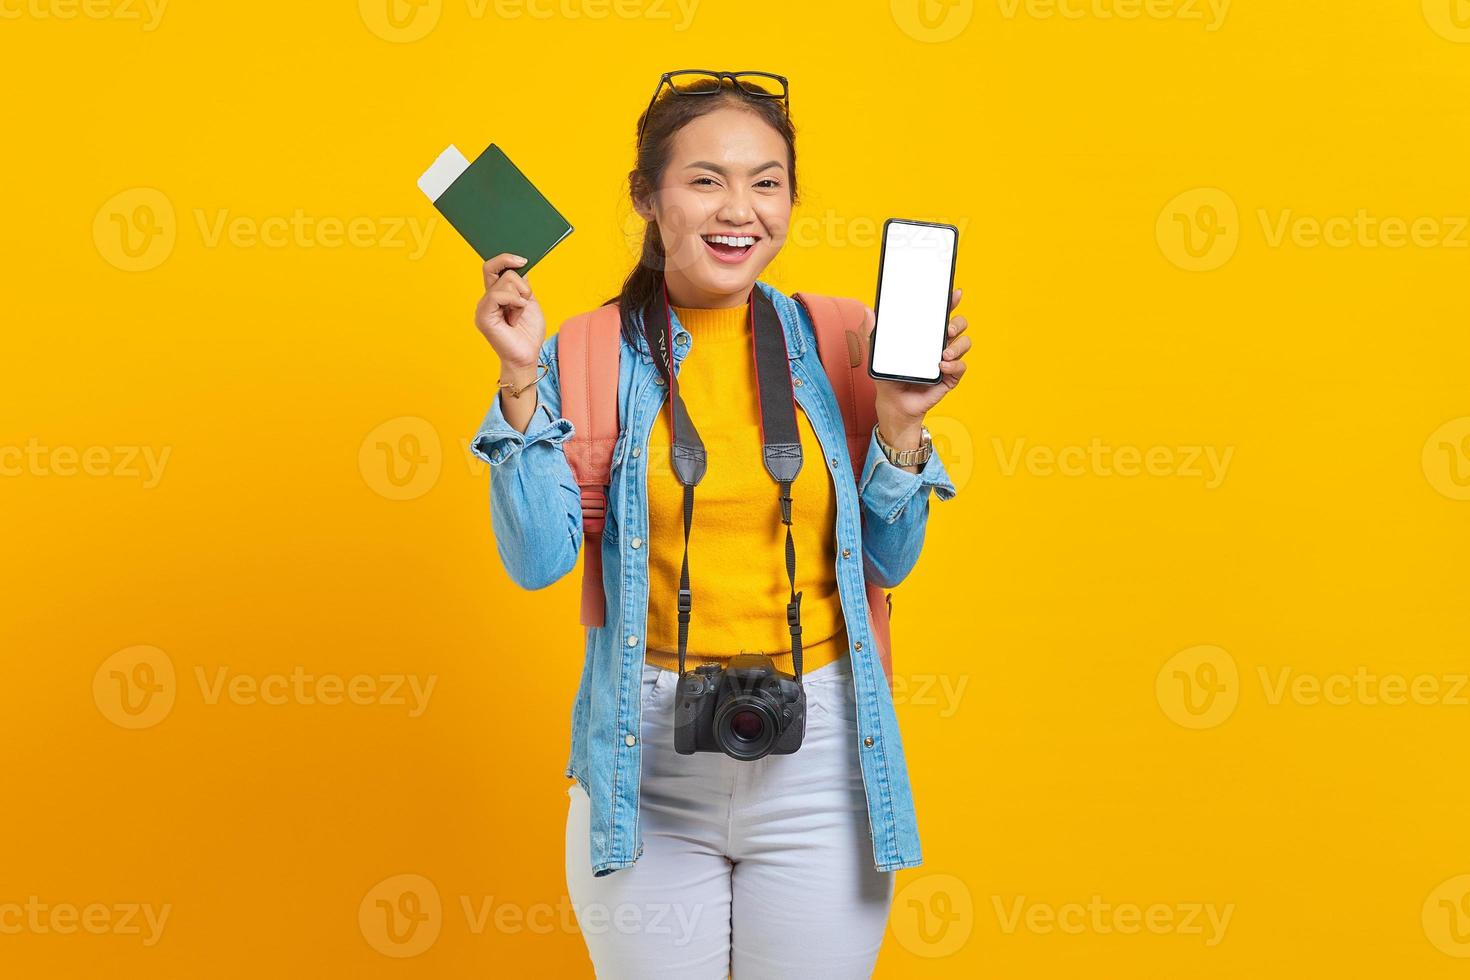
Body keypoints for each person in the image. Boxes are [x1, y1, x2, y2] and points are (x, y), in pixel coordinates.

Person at [469, 70, 969, 979]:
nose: (740, 209)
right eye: (706, 180)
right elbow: (540, 562)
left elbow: (888, 560)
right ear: (648, 197)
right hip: (643, 759)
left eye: (765, 181)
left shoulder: (842, 340)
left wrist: (902, 424)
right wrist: (517, 384)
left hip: (822, 753)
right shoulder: (581, 351)